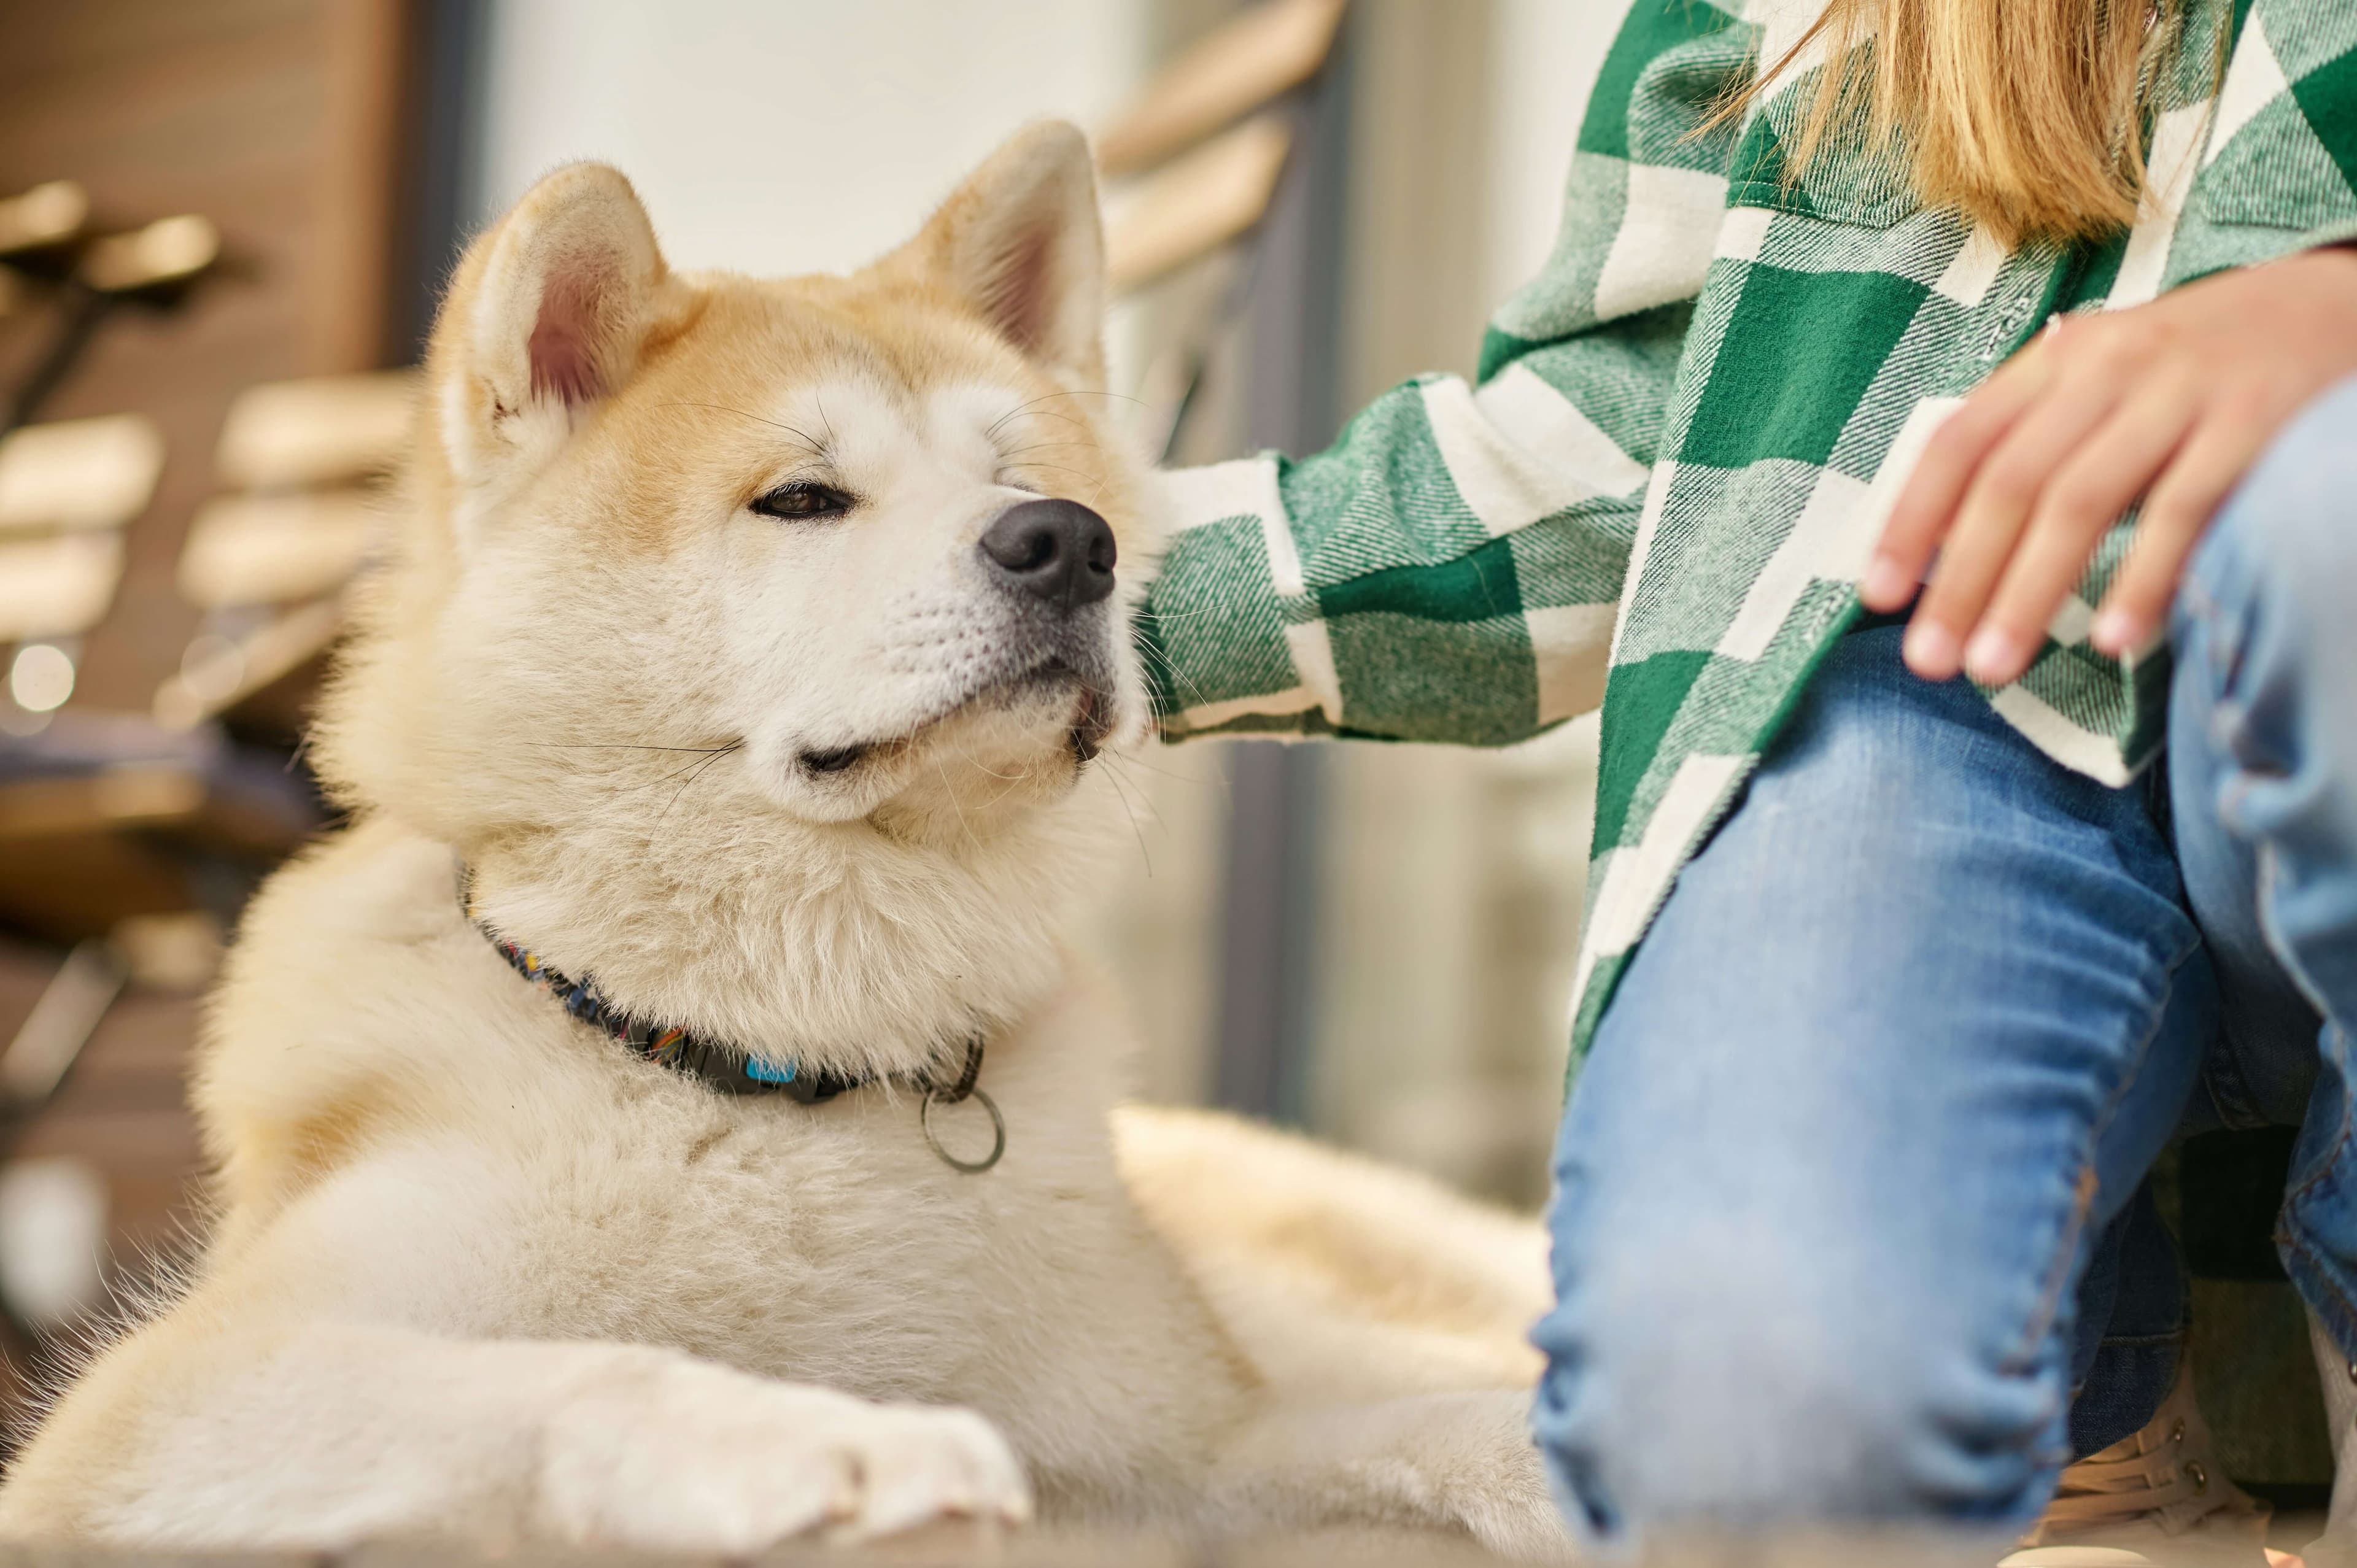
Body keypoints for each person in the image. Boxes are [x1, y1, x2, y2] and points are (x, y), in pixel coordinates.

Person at [1139, 0, 2357, 1559]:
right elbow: (1620, 450)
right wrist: (1030, 598)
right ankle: (2096, 1410)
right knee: (1744, 1444)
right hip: (1945, 684)